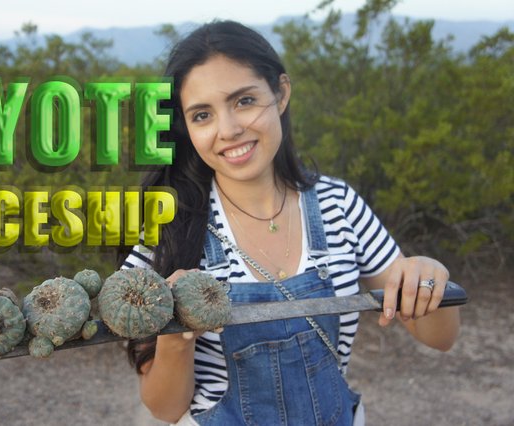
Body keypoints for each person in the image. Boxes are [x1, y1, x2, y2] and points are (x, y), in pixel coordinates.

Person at [120, 20, 460, 425]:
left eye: (244, 101)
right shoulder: (167, 228)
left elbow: (439, 338)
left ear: (281, 93)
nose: (228, 130)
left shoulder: (339, 205)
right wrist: (176, 336)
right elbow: (164, 407)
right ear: (187, 129)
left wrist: (428, 276)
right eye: (202, 115)